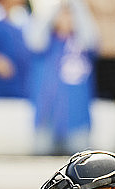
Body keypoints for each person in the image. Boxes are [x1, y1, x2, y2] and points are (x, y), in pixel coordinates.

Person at [24, 0, 99, 155]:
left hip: (77, 121)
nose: (66, 18)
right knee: (41, 167)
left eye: (71, 14)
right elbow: (34, 38)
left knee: (80, 167)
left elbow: (92, 37)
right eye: (62, 14)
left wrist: (77, 6)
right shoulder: (44, 44)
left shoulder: (83, 45)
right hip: (46, 119)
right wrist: (52, 8)